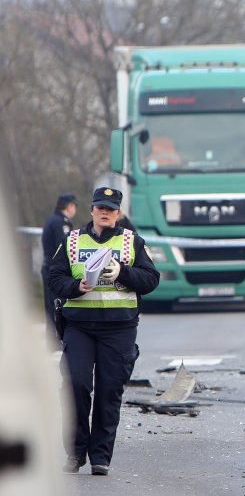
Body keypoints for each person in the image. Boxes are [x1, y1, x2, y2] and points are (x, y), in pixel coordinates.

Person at [47, 187, 160, 476]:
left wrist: (122, 272)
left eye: (110, 208)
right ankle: (75, 453)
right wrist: (76, 287)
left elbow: (150, 279)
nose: (105, 212)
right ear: (92, 210)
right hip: (79, 328)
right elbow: (54, 276)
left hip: (119, 330)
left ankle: (100, 457)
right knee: (76, 387)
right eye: (100, 207)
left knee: (109, 392)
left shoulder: (131, 242)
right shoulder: (72, 241)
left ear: (118, 213)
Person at [40, 193, 78, 337]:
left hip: (49, 267)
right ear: (69, 206)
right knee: (56, 305)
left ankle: (52, 338)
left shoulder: (53, 219)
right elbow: (63, 247)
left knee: (51, 305)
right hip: (54, 270)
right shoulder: (61, 223)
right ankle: (55, 339)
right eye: (74, 206)